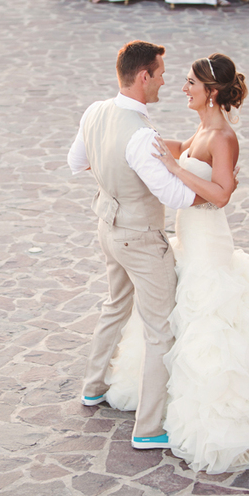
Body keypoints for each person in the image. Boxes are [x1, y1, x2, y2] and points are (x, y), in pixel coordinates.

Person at [104, 53, 249, 474]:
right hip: (190, 236)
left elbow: (222, 193)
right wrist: (139, 141)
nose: (182, 88)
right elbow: (184, 152)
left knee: (211, 319)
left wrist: (172, 167)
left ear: (211, 92)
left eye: (190, 82)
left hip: (208, 241)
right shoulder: (204, 126)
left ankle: (220, 410)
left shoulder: (223, 137)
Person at [67, 40, 210, 450]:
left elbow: (77, 163)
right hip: (142, 239)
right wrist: (215, 192)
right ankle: (148, 428)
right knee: (160, 330)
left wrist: (115, 169)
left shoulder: (95, 111)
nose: (165, 81)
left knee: (115, 305)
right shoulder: (142, 136)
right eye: (162, 73)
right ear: (144, 75)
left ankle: (93, 387)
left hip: (107, 228)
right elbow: (175, 196)